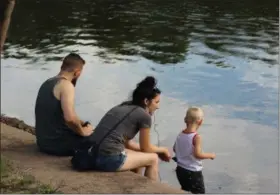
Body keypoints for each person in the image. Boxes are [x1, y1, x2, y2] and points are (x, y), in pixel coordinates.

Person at [75, 76, 171, 181]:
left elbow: (128, 144)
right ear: (146, 101)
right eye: (156, 102)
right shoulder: (144, 116)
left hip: (90, 154)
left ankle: (136, 188)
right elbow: (146, 148)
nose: (158, 106)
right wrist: (163, 150)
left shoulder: (122, 106)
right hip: (107, 159)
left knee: (141, 157)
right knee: (153, 159)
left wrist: (154, 150)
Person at [35, 53, 94, 156]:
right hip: (59, 146)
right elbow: (70, 119)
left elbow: (56, 113)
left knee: (87, 127)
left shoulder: (47, 82)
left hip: (43, 143)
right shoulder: (66, 85)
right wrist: (83, 132)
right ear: (77, 73)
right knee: (100, 137)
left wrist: (82, 123)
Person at [173, 107, 216, 194]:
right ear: (200, 122)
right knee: (199, 192)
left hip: (180, 170)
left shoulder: (180, 134)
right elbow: (197, 155)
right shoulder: (196, 137)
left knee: (185, 190)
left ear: (185, 120)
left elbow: (174, 148)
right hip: (193, 172)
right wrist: (210, 155)